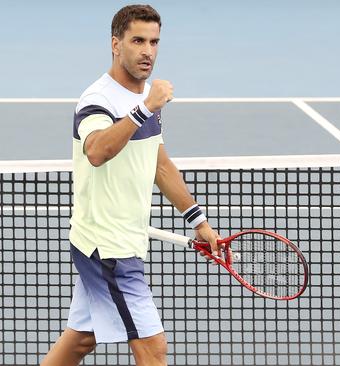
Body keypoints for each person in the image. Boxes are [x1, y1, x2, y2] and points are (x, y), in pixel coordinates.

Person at [41, 5, 221, 366]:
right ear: (115, 44)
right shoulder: (98, 100)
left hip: (117, 240)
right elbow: (96, 151)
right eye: (137, 40)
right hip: (108, 248)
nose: (148, 51)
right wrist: (145, 107)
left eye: (154, 42)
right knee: (153, 349)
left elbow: (160, 164)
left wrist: (197, 221)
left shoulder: (146, 100)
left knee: (80, 340)